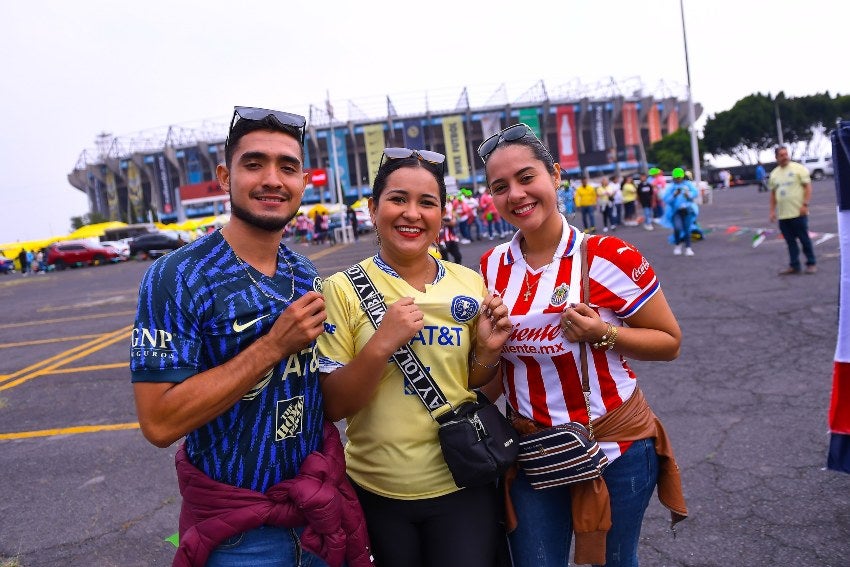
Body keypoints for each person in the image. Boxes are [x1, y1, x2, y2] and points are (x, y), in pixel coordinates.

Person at [130, 106, 372, 567]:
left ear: (303, 182)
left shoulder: (302, 272)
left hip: (316, 515)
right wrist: (272, 346)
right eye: (254, 163)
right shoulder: (177, 276)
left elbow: (320, 394)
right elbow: (158, 422)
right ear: (225, 176)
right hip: (240, 538)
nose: (272, 179)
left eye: (288, 167)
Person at [476, 123, 688, 567]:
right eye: (500, 186)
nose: (515, 194)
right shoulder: (491, 266)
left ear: (555, 175)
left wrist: (602, 333)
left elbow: (669, 342)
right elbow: (493, 377)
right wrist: (485, 356)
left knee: (612, 562)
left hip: (615, 446)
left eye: (526, 177)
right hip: (533, 451)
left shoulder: (609, 256)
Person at [317, 147, 513, 567]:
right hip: (376, 490)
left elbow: (479, 388)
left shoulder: (469, 284)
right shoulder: (341, 288)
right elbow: (333, 405)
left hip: (462, 484)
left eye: (427, 202)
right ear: (373, 209)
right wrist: (381, 343)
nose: (412, 213)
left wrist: (491, 351)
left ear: (442, 214)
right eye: (398, 199)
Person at [769, 145, 817, 275]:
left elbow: (807, 187)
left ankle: (811, 263)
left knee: (804, 239)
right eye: (782, 155)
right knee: (790, 242)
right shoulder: (774, 174)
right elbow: (773, 194)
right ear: (776, 157)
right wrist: (772, 211)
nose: (785, 157)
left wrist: (805, 204)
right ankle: (794, 265)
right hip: (784, 215)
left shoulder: (798, 169)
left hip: (798, 213)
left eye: (786, 154)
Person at [662, 167, 699, 256]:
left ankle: (688, 248)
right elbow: (666, 200)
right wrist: (674, 195)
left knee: (687, 229)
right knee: (677, 228)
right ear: (673, 177)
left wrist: (688, 194)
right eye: (676, 177)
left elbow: (695, 193)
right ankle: (678, 245)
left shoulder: (688, 184)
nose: (678, 179)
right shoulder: (671, 187)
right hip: (676, 211)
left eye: (680, 177)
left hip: (687, 210)